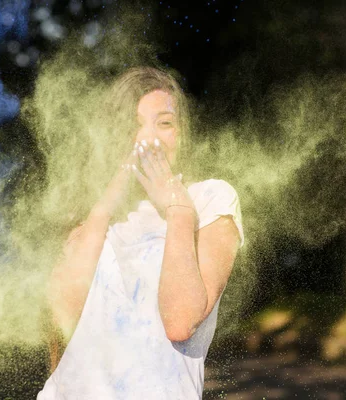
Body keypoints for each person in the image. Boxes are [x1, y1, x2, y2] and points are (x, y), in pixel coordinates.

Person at [37, 67, 244, 399]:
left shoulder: (210, 199)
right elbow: (64, 319)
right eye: (134, 125)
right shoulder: (92, 216)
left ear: (183, 134)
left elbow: (181, 321)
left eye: (165, 123)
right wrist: (104, 207)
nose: (149, 139)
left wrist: (178, 211)